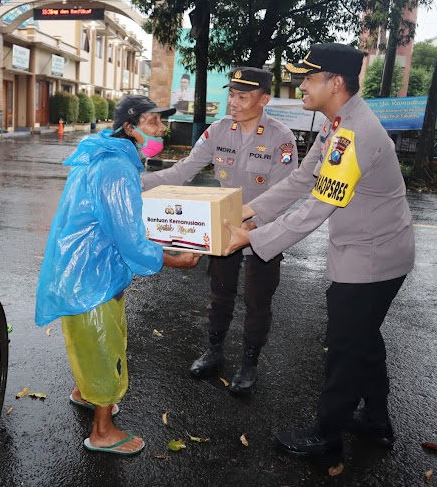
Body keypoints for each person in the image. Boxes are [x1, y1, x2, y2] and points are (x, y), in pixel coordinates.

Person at [225, 43, 415, 455]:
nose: (301, 85)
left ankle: (326, 437)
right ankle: (377, 422)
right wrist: (248, 212)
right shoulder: (336, 123)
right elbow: (300, 180)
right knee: (364, 341)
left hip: (371, 260)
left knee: (346, 347)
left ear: (336, 82)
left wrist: (254, 238)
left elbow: (317, 207)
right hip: (372, 251)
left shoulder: (354, 133)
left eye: (309, 78)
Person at [35, 94, 200, 456]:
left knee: (89, 343)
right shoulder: (115, 167)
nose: (161, 128)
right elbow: (129, 238)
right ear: (130, 127)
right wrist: (173, 259)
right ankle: (103, 431)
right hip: (91, 276)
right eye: (153, 122)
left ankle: (84, 392)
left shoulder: (107, 155)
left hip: (81, 269)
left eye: (161, 121)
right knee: (105, 347)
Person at [142, 67, 297, 392]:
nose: (234, 102)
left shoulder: (281, 138)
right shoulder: (219, 130)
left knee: (257, 300)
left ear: (264, 99)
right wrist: (134, 183)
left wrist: (253, 226)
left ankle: (249, 363)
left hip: (262, 233)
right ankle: (214, 350)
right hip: (224, 227)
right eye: (232, 94)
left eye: (243, 96)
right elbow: (183, 171)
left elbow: (284, 193)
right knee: (220, 293)